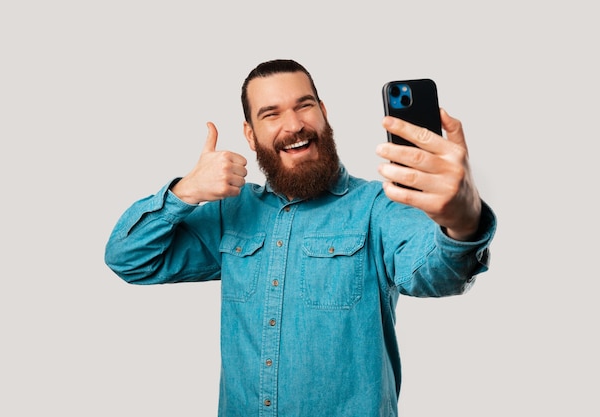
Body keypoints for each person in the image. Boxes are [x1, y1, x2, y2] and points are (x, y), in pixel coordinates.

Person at [104, 59, 496, 416]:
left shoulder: (378, 206)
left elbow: (437, 273)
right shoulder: (231, 212)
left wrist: (462, 222)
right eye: (270, 114)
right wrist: (183, 193)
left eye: (304, 106)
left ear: (324, 114)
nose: (293, 125)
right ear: (250, 134)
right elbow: (130, 257)